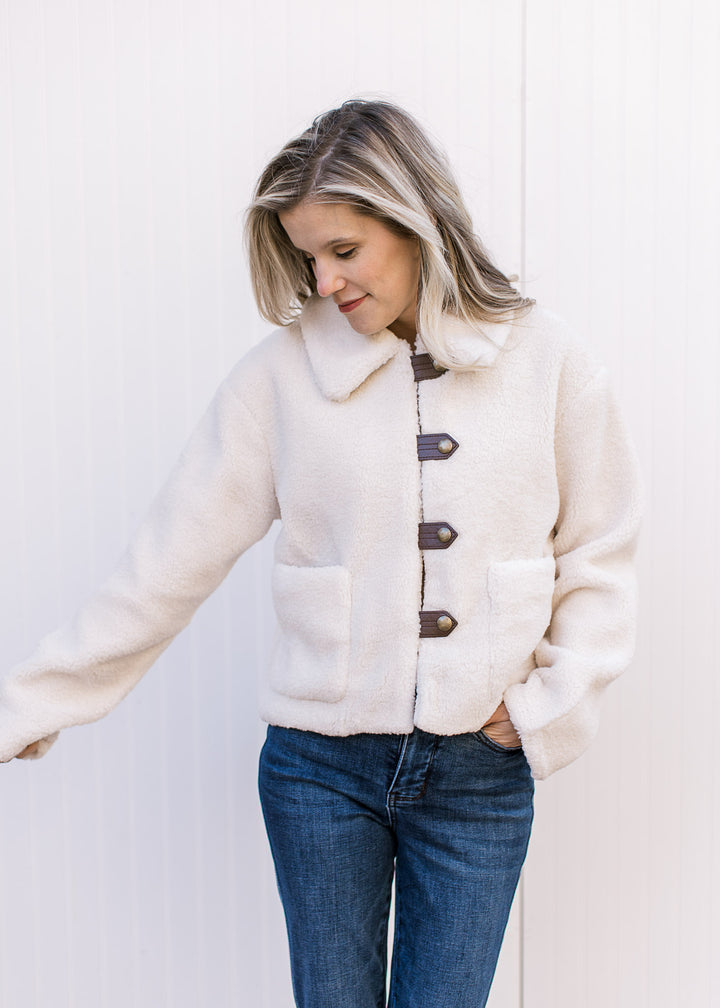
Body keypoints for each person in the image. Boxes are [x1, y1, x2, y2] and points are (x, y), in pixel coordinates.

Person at [0, 99, 642, 1007]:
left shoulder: (549, 363)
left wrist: (554, 701)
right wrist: (26, 704)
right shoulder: (278, 379)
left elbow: (602, 551)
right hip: (320, 772)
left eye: (345, 250)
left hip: (478, 775)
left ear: (417, 219)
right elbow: (166, 566)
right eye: (309, 257)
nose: (327, 280)